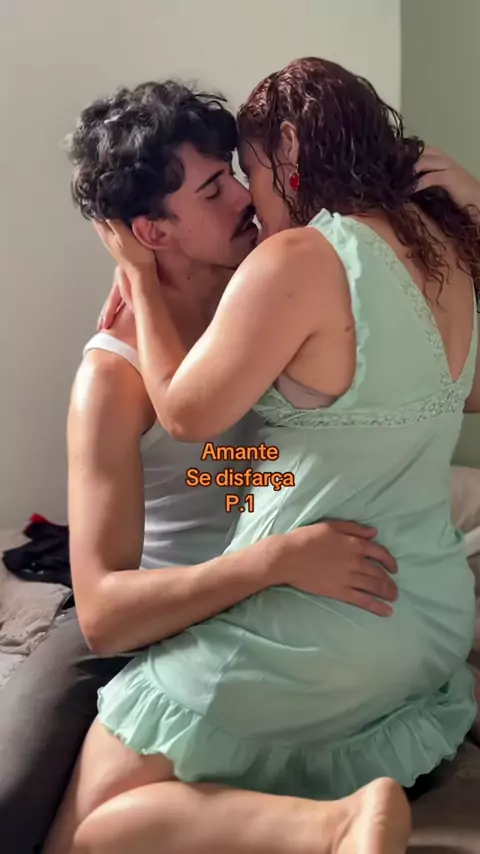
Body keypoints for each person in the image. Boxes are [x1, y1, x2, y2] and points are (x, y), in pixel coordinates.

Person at [43, 59, 480, 854]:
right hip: (206, 604)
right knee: (35, 804)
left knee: (97, 826)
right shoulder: (114, 376)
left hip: (316, 611)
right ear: (152, 232)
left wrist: (143, 280)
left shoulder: (287, 272)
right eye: (216, 187)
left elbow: (205, 422)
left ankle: (338, 827)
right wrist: (274, 559)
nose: (246, 196)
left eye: (240, 173)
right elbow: (104, 615)